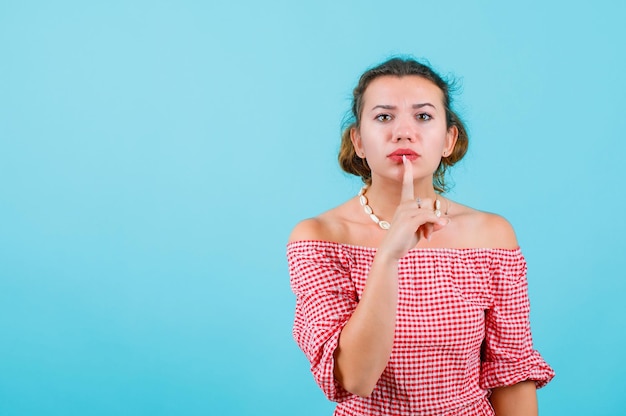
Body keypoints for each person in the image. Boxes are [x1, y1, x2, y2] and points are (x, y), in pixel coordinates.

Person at [286, 57, 554, 416]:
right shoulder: (318, 238)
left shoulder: (492, 236)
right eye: (383, 117)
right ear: (358, 141)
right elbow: (356, 379)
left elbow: (512, 375)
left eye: (423, 116)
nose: (403, 132)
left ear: (448, 139)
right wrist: (388, 256)